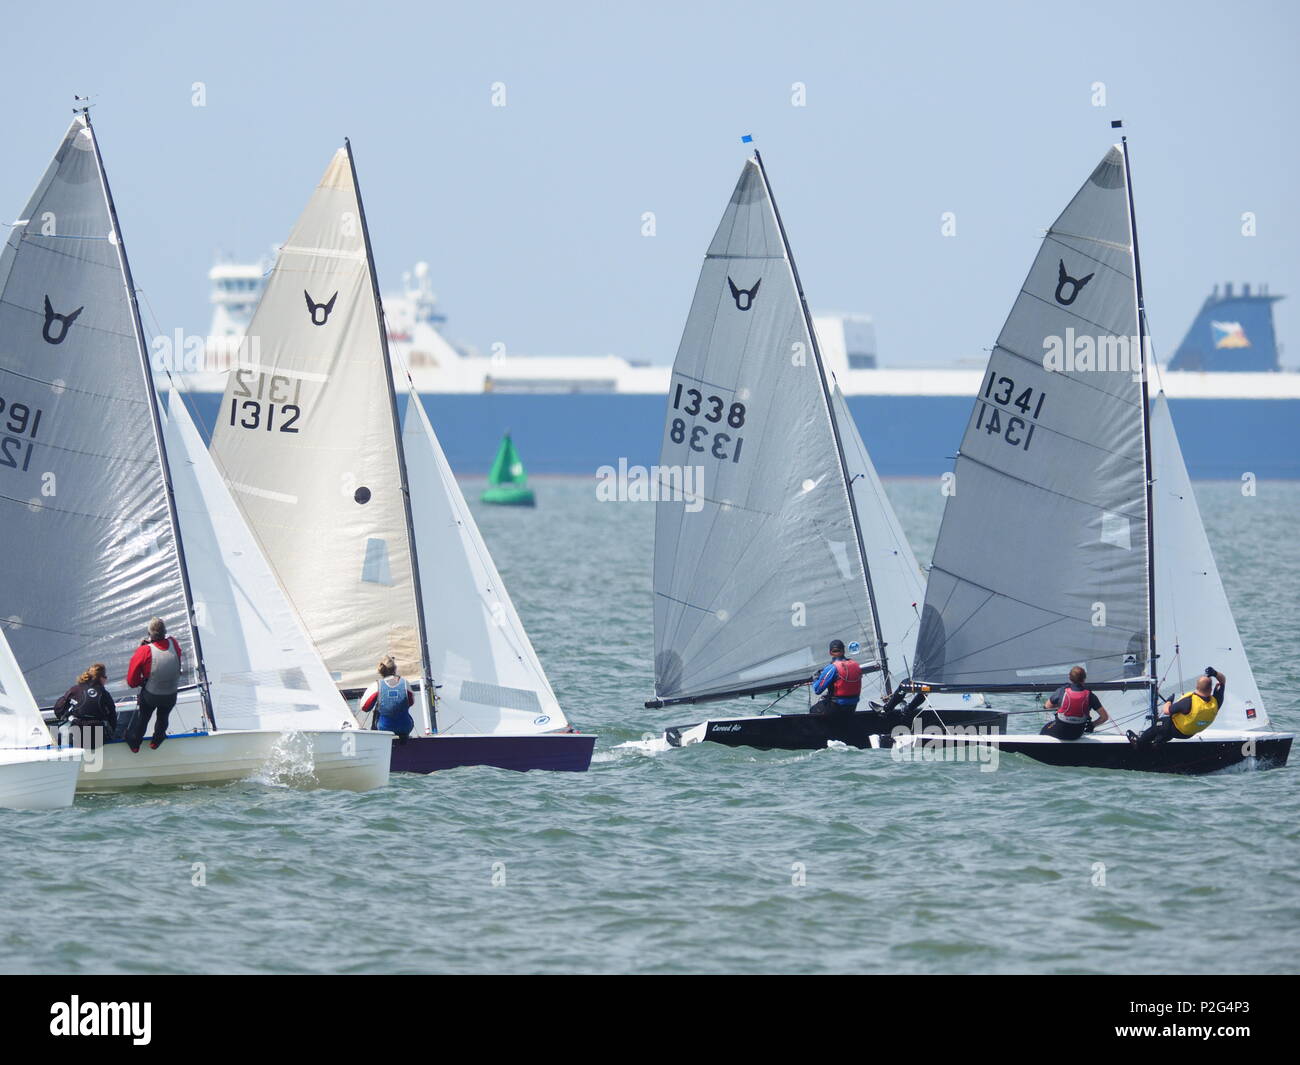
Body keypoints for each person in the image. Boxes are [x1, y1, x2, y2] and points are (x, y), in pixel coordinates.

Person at [125, 617, 183, 753]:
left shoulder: (144, 650)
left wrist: (143, 648)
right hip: (171, 695)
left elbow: (131, 682)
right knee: (163, 717)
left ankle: (135, 744)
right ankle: (156, 741)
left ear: (149, 634)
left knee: (144, 717)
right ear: (165, 631)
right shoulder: (173, 643)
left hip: (151, 695)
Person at [1129, 667, 1224, 748]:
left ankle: (1138, 743)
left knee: (1160, 724)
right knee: (1167, 729)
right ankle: (1157, 742)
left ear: (1197, 686)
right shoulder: (1216, 702)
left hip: (1176, 730)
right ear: (1211, 689)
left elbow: (1166, 711)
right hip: (1188, 734)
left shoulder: (1189, 701)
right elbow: (1222, 680)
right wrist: (1215, 673)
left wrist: (1169, 701)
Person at [52, 663, 118, 748]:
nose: (106, 679)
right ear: (100, 678)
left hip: (78, 738)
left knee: (65, 725)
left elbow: (58, 710)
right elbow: (113, 717)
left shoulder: (74, 690)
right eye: (105, 677)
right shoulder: (104, 694)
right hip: (99, 740)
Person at [1041, 665, 1110, 740]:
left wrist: (1061, 706)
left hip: (1060, 731)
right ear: (1084, 679)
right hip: (1077, 734)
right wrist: (1092, 725)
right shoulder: (1090, 695)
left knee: (1044, 729)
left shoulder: (1062, 691)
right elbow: (1104, 717)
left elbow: (1047, 706)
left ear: (1070, 678)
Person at [360, 656, 415, 744]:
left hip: (384, 728)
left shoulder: (376, 685)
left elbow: (365, 708)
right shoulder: (405, 683)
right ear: (395, 668)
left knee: (378, 712)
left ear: (380, 670)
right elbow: (411, 702)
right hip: (405, 727)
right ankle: (403, 741)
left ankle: (379, 743)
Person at [810, 639, 862, 716]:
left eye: (836, 651)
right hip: (852, 707)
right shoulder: (856, 665)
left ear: (830, 652)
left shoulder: (832, 668)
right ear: (844, 651)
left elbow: (817, 690)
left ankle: (826, 727)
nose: (837, 653)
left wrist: (815, 679)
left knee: (813, 710)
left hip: (837, 707)